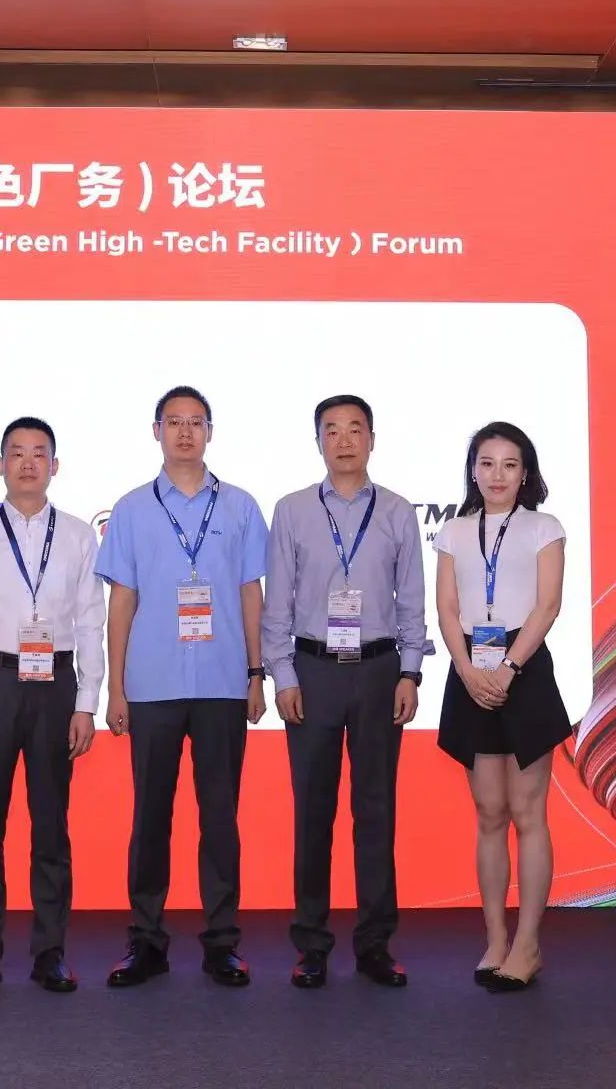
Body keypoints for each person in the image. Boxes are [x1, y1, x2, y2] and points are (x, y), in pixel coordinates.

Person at [98, 386, 269, 988]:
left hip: (223, 681)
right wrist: (116, 689)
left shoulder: (240, 506)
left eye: (196, 422)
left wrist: (256, 674)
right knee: (150, 817)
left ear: (210, 432)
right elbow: (121, 602)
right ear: (156, 431)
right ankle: (146, 942)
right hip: (152, 684)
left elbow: (251, 595)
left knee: (220, 817)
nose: (186, 432)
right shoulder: (131, 509)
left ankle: (222, 943)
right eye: (174, 422)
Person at [0, 416, 105, 997]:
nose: (28, 463)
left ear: (55, 466)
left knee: (52, 824)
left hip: (55, 684)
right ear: (0, 464)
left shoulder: (78, 536)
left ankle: (50, 953)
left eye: (39, 453)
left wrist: (87, 700)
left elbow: (91, 620)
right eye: (16, 452)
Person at [262, 394, 431, 990]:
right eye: (331, 430)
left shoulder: (398, 511)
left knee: (376, 809)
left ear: (372, 439)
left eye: (355, 429)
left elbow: (412, 600)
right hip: (313, 670)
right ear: (318, 442)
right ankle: (311, 944)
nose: (344, 440)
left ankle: (375, 944)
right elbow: (277, 603)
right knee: (313, 811)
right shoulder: (292, 510)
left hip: (380, 670)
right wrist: (283, 676)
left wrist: (410, 672)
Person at [434, 421, 571, 994]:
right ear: (473, 470)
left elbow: (548, 605)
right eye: (487, 463)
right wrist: (467, 670)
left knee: (527, 811)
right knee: (489, 812)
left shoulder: (544, 527)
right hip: (470, 667)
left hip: (525, 667)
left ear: (525, 473)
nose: (497, 475)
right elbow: (446, 609)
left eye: (509, 464)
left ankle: (528, 944)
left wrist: (509, 667)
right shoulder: (454, 531)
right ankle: (495, 939)